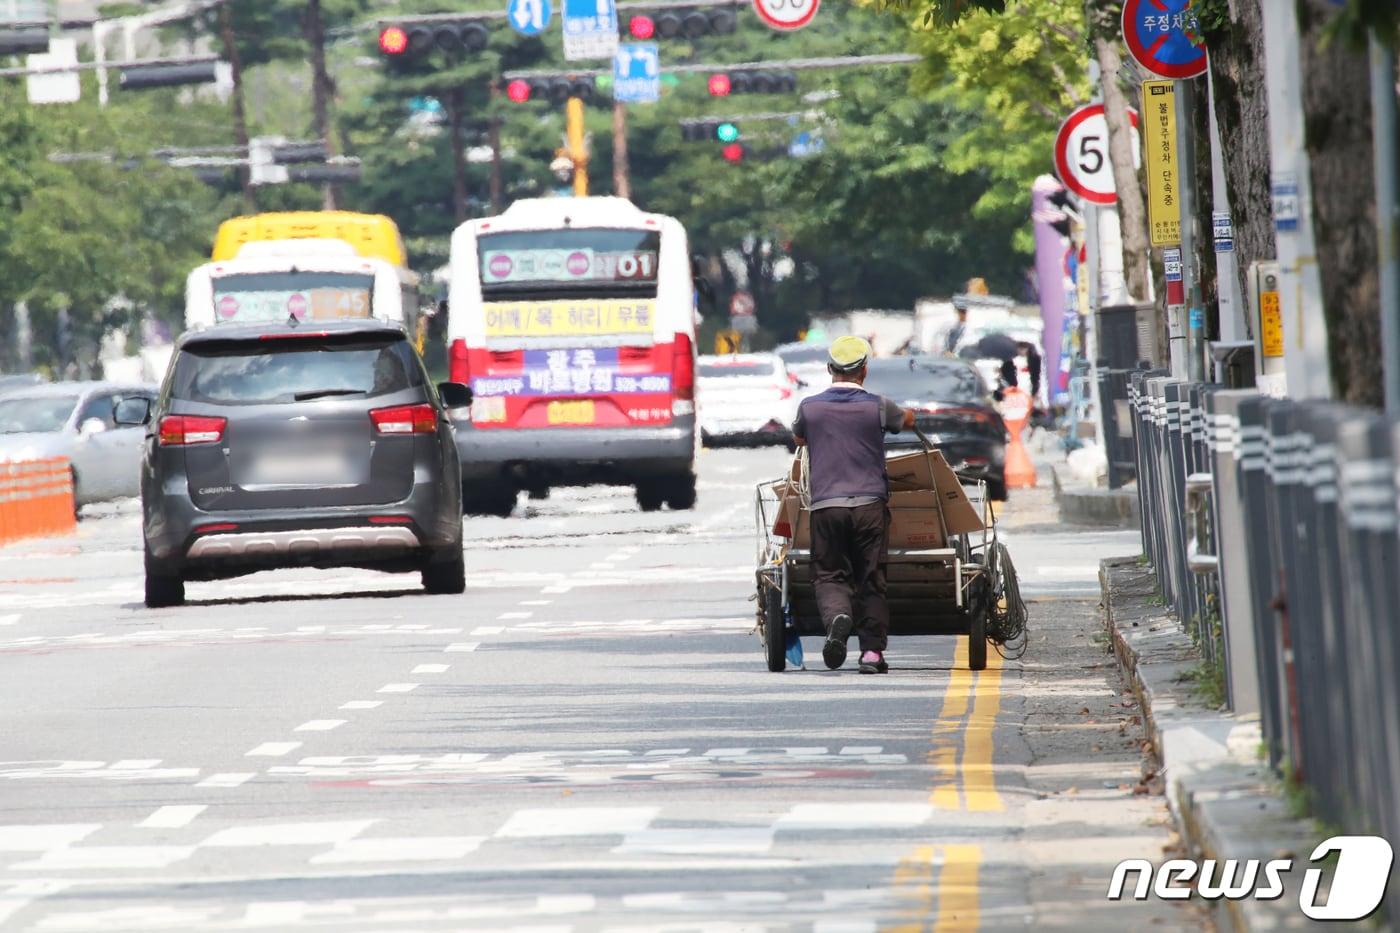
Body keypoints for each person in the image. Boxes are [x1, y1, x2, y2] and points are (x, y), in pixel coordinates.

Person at [791, 336, 915, 674]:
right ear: (864, 370)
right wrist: (908, 415)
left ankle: (837, 617)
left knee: (829, 573)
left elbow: (799, 437)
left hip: (826, 507)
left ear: (830, 369)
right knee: (871, 578)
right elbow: (907, 421)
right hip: (870, 506)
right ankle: (871, 654)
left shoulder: (810, 407)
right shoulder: (878, 406)